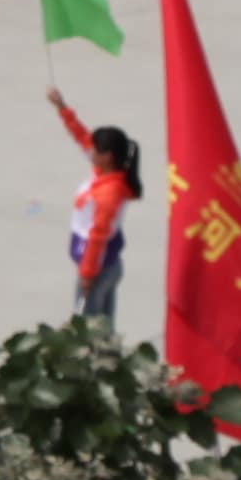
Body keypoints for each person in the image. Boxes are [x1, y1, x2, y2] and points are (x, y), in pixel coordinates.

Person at [53, 90, 139, 327]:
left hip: (97, 270)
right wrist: (62, 108)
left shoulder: (109, 193)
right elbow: (82, 137)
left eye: (96, 150)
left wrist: (88, 274)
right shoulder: (106, 173)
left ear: (108, 156)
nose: (90, 151)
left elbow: (98, 235)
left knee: (87, 336)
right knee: (104, 334)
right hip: (108, 266)